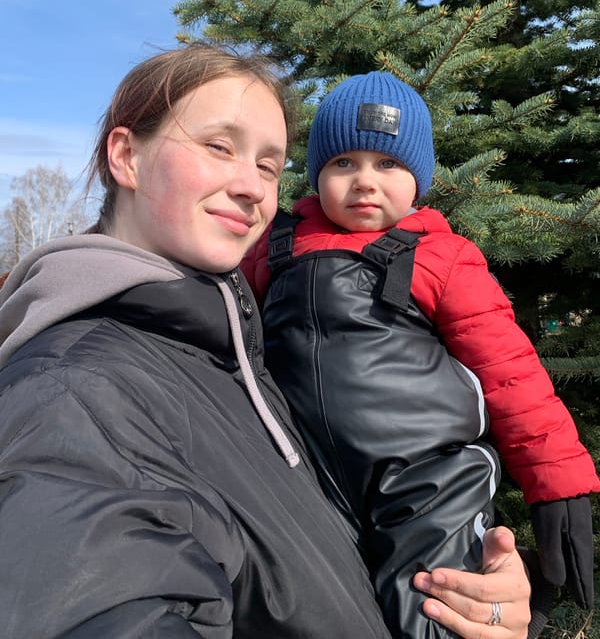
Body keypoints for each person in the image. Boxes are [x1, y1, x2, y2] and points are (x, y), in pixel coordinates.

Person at [0, 45, 533, 638]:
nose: (252, 187)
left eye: (269, 166)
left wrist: (476, 604)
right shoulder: (72, 393)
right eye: (219, 146)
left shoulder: (237, 357)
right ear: (127, 156)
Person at [242, 70, 599, 638]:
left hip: (427, 481)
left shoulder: (442, 256)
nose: (364, 182)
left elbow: (509, 372)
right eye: (343, 164)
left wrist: (557, 478)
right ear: (316, 174)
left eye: (387, 165)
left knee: (434, 606)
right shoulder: (273, 249)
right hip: (307, 475)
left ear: (419, 178)